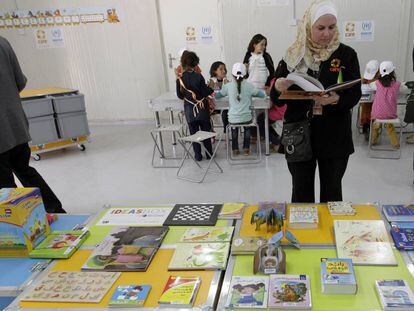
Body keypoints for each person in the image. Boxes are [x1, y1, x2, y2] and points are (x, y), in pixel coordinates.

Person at [270, 0, 362, 203]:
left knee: (332, 192)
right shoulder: (293, 55)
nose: (327, 34)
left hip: (334, 134)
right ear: (308, 26)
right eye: (320, 28)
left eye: (331, 27)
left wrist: (338, 99)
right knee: (301, 192)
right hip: (299, 134)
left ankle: (329, 233)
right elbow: (274, 98)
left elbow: (355, 93)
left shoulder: (346, 54)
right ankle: (304, 234)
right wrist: (278, 86)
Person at [0, 35, 65, 213]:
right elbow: (20, 82)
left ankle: (17, 226)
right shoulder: (3, 41)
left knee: (4, 186)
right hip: (16, 124)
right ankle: (55, 210)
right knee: (24, 170)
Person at [215, 63, 265, 156]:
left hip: (233, 118)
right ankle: (246, 149)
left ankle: (235, 149)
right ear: (245, 74)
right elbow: (262, 95)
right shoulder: (249, 86)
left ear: (232, 75)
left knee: (234, 128)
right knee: (247, 127)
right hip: (246, 117)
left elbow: (217, 96)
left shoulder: (228, 86)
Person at [176, 51, 214, 161]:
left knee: (194, 133)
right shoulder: (199, 76)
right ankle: (209, 154)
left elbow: (179, 95)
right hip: (202, 109)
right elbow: (205, 92)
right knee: (205, 132)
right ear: (195, 63)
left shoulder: (180, 78)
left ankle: (198, 155)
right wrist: (211, 87)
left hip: (189, 110)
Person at [370, 61, 401, 149]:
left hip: (377, 113)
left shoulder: (376, 83)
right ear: (393, 73)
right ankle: (395, 144)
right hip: (390, 114)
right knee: (390, 126)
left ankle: (372, 141)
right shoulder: (397, 84)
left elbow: (370, 86)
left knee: (376, 125)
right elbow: (404, 88)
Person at [360, 59, 380, 140]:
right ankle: (366, 126)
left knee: (374, 108)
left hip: (378, 101)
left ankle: (373, 127)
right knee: (366, 107)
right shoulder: (365, 78)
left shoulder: (382, 78)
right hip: (367, 100)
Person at [208, 61, 230, 133]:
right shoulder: (211, 81)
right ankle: (211, 131)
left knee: (226, 111)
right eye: (221, 69)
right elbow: (210, 93)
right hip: (214, 105)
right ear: (215, 71)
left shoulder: (227, 81)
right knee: (206, 113)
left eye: (224, 69)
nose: (224, 71)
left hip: (225, 105)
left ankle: (226, 131)